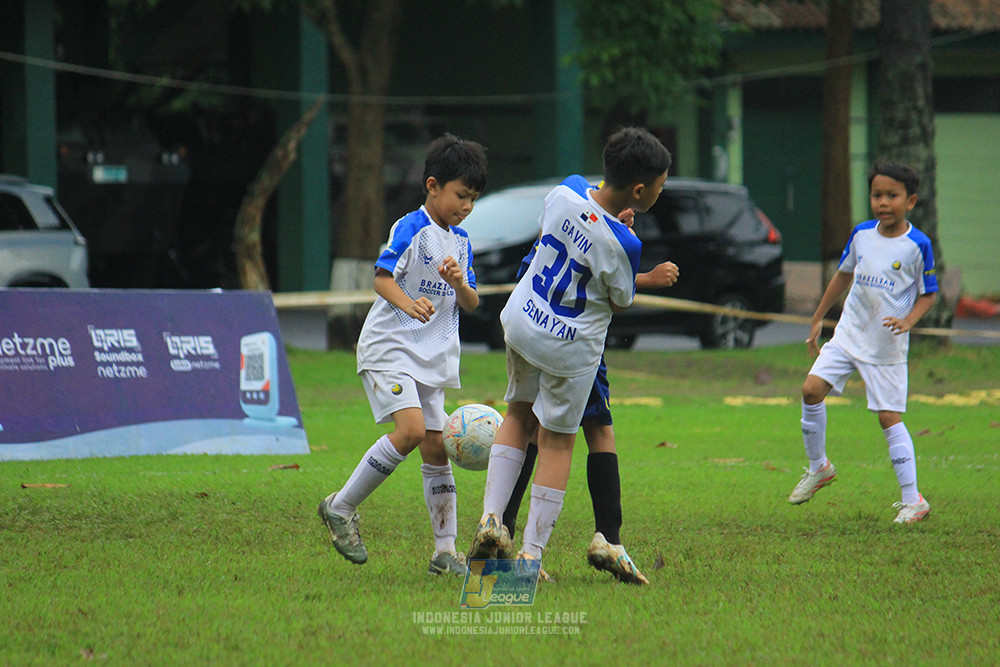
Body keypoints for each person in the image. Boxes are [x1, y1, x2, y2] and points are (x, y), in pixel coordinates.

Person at [467, 127, 672, 572]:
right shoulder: (627, 244)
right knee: (557, 442)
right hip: (566, 346)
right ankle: (529, 554)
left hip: (523, 321)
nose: (661, 190)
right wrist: (619, 237)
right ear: (639, 191)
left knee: (518, 415)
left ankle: (491, 519)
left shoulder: (566, 189)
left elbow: (552, 235)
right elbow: (619, 300)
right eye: (660, 184)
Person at [317, 134, 487, 575]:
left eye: (473, 199)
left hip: (432, 358)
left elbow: (471, 303)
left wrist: (459, 284)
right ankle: (340, 506)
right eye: (460, 195)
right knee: (410, 431)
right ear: (433, 186)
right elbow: (381, 278)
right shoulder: (411, 227)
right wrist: (409, 304)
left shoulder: (462, 242)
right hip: (390, 348)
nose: (466, 206)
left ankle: (445, 553)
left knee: (436, 449)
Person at [501, 210, 679, 585]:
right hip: (571, 335)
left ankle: (502, 529)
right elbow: (612, 291)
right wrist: (648, 277)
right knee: (592, 430)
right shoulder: (606, 229)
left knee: (530, 423)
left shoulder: (571, 199)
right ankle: (598, 540)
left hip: (536, 316)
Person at [788, 160, 937, 523]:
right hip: (849, 334)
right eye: (876, 195)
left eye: (892, 196)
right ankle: (819, 467)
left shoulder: (917, 245)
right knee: (810, 390)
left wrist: (908, 321)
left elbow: (928, 295)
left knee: (888, 417)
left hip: (885, 344)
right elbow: (842, 276)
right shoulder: (862, 235)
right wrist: (819, 317)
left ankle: (912, 499)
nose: (883, 202)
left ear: (911, 201)